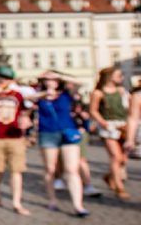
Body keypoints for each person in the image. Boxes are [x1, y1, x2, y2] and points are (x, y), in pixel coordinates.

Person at [25, 71, 88, 217]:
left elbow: (80, 83)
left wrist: (59, 76)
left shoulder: (66, 94)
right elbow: (27, 98)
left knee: (72, 170)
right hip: (48, 133)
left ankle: (78, 205)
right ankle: (52, 199)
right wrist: (44, 93)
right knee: (50, 169)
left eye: (53, 80)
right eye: (47, 79)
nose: (50, 82)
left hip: (68, 133)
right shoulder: (39, 95)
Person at [0, 66, 30, 216]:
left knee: (16, 170)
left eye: (7, 79)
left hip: (15, 137)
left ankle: (16, 202)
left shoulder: (17, 95)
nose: (4, 81)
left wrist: (26, 121)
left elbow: (23, 113)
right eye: (1, 78)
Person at [90, 66, 130, 199]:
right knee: (116, 157)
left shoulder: (121, 90)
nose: (121, 77)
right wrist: (103, 123)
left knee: (123, 159)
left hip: (123, 125)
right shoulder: (98, 93)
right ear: (109, 76)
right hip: (108, 126)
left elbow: (127, 108)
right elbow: (93, 110)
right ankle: (119, 188)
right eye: (119, 75)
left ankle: (109, 176)